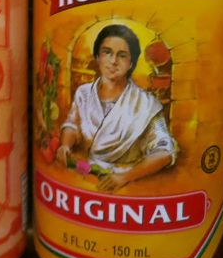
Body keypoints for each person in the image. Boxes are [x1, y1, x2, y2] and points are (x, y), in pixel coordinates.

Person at [55, 24, 178, 192]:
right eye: (107, 52)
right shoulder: (84, 93)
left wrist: (124, 177)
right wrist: (66, 146)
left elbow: (165, 152)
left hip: (128, 186)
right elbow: (72, 124)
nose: (113, 61)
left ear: (131, 63)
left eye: (122, 55)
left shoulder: (146, 105)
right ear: (98, 57)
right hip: (84, 179)